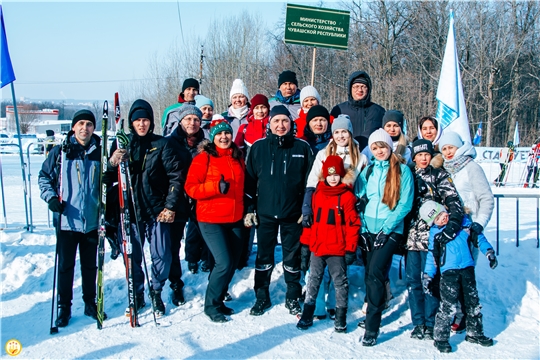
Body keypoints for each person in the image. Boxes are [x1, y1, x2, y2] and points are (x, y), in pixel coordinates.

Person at [107, 99, 187, 317]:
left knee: (162, 255)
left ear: (151, 122)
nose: (141, 124)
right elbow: (106, 178)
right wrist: (112, 162)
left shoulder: (162, 144)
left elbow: (176, 177)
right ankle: (138, 292)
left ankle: (156, 290)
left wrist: (170, 206)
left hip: (156, 210)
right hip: (130, 212)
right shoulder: (122, 144)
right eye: (137, 121)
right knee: (132, 256)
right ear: (131, 123)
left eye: (145, 120)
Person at [245, 105, 315, 316]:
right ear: (270, 124)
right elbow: (249, 182)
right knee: (264, 256)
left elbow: (309, 183)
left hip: (293, 215)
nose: (281, 125)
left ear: (291, 124)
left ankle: (293, 296)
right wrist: (250, 209)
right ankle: (262, 296)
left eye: (285, 121)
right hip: (265, 214)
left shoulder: (302, 148)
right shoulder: (258, 147)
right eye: (276, 121)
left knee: (292, 258)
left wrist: (306, 207)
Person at [38, 109, 106, 327]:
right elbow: (44, 178)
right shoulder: (60, 152)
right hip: (67, 220)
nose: (84, 128)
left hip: (92, 221)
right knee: (66, 266)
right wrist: (50, 199)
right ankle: (64, 307)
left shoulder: (100, 152)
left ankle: (89, 302)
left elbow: (110, 182)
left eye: (89, 124)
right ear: (74, 127)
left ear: (94, 128)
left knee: (90, 266)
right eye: (81, 124)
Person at [301, 114, 368, 320]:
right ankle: (318, 306)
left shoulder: (361, 157)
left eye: (344, 132)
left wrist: (361, 200)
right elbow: (313, 182)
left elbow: (364, 184)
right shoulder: (323, 153)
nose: (340, 136)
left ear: (350, 133)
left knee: (336, 266)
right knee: (317, 268)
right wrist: (307, 208)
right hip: (323, 212)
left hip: (344, 212)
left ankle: (334, 305)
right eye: (337, 132)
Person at [354, 129, 414, 346]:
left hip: (390, 230)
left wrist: (386, 229)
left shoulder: (402, 171)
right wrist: (361, 228)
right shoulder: (368, 171)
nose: (379, 151)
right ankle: (374, 309)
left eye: (383, 147)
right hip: (368, 229)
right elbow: (358, 198)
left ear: (390, 147)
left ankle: (373, 326)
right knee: (369, 273)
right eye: (375, 147)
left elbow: (405, 204)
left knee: (376, 274)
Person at [185, 119, 245, 323]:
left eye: (227, 133)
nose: (224, 137)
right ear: (213, 137)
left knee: (233, 262)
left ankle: (219, 300)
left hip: (235, 218)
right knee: (223, 262)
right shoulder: (204, 158)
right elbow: (190, 188)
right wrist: (214, 187)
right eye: (219, 134)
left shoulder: (237, 157)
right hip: (211, 219)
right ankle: (211, 305)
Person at [405, 139, 464, 341]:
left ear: (431, 156)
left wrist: (453, 223)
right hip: (412, 237)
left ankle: (431, 323)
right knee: (413, 281)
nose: (423, 158)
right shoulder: (408, 175)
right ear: (414, 157)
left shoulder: (439, 175)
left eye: (426, 154)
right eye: (419, 155)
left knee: (429, 280)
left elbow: (452, 199)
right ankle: (418, 322)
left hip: (433, 237)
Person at [420, 200, 497, 353]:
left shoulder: (464, 223)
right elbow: (431, 256)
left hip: (467, 268)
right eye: (437, 218)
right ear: (432, 223)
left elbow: (479, 238)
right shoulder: (436, 234)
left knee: (472, 302)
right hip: (448, 272)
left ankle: (475, 333)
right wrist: (428, 275)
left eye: (442, 214)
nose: (442, 218)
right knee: (448, 306)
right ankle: (441, 337)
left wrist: (489, 252)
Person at [438, 130, 495, 332]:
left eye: (451, 147)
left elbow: (486, 199)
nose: (448, 152)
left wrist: (479, 224)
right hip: (448, 226)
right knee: (448, 272)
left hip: (468, 227)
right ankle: (452, 311)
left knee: (464, 273)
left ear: (459, 147)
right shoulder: (444, 169)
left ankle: (465, 316)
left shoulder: (471, 167)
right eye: (444, 149)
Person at [296, 156, 360, 333]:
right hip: (318, 247)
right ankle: (307, 314)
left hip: (337, 249)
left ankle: (340, 317)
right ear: (324, 176)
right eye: (329, 175)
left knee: (340, 282)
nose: (333, 178)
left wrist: (350, 248)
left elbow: (353, 224)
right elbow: (312, 223)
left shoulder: (347, 197)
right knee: (313, 280)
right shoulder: (318, 194)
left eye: (336, 175)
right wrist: (305, 244)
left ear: (341, 175)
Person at [169, 104, 214, 275]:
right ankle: (178, 277)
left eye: (196, 119)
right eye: (188, 119)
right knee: (175, 240)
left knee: (200, 230)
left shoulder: (206, 143)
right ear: (181, 121)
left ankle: (202, 258)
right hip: (178, 195)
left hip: (199, 194)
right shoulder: (170, 142)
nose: (192, 123)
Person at [330, 71, 385, 151]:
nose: (360, 90)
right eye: (356, 86)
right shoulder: (339, 110)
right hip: (346, 156)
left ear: (368, 89)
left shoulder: (378, 111)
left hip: (372, 156)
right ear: (350, 89)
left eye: (363, 86)